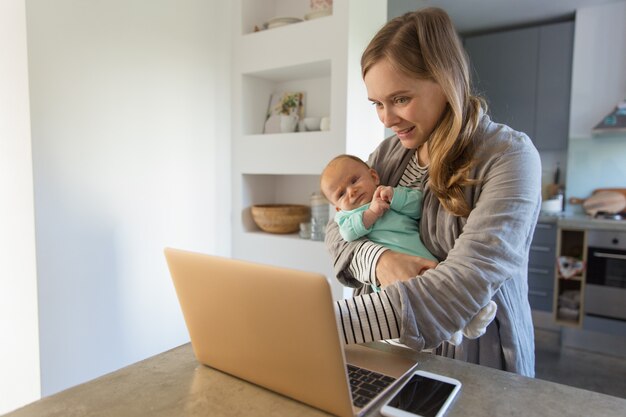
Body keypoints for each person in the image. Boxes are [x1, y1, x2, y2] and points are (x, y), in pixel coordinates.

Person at [325, 7, 541, 377]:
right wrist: (381, 261)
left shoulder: (510, 158)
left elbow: (462, 285)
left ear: (446, 81)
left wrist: (325, 325)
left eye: (400, 99)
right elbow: (337, 231)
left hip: (471, 361)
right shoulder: (388, 154)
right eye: (377, 103)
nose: (386, 119)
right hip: (382, 352)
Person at [320, 153, 497, 345]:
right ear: (337, 208)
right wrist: (372, 213)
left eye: (354, 181)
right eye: (341, 194)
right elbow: (347, 233)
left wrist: (395, 197)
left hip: (421, 257)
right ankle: (446, 329)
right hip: (389, 279)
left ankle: (472, 316)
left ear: (374, 176)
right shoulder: (346, 217)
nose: (351, 192)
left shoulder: (387, 195)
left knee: (441, 286)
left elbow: (418, 206)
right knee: (404, 305)